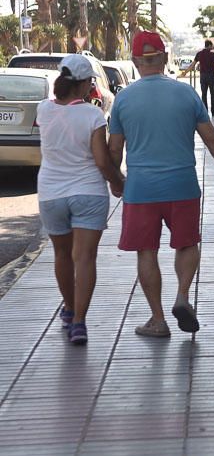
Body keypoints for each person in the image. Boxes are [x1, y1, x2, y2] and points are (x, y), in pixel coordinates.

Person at [109, 30, 214, 338]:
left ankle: (158, 319)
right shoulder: (185, 94)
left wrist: (116, 179)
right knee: (187, 243)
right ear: (165, 58)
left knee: (146, 252)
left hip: (141, 189)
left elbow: (114, 149)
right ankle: (182, 295)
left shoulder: (124, 99)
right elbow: (211, 137)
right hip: (182, 184)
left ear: (135, 61)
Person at [36, 54, 125, 345]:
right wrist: (117, 182)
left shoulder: (42, 110)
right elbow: (101, 160)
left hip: (51, 193)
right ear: (86, 83)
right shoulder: (92, 115)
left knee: (62, 255)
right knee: (84, 257)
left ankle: (70, 306)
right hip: (88, 192)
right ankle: (78, 322)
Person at [180, 40, 214, 116]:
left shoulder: (199, 54)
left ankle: (205, 112)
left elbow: (192, 65)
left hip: (203, 76)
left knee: (204, 94)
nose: (212, 47)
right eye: (212, 45)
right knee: (213, 94)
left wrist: (185, 72)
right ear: (209, 46)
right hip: (211, 76)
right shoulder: (213, 54)